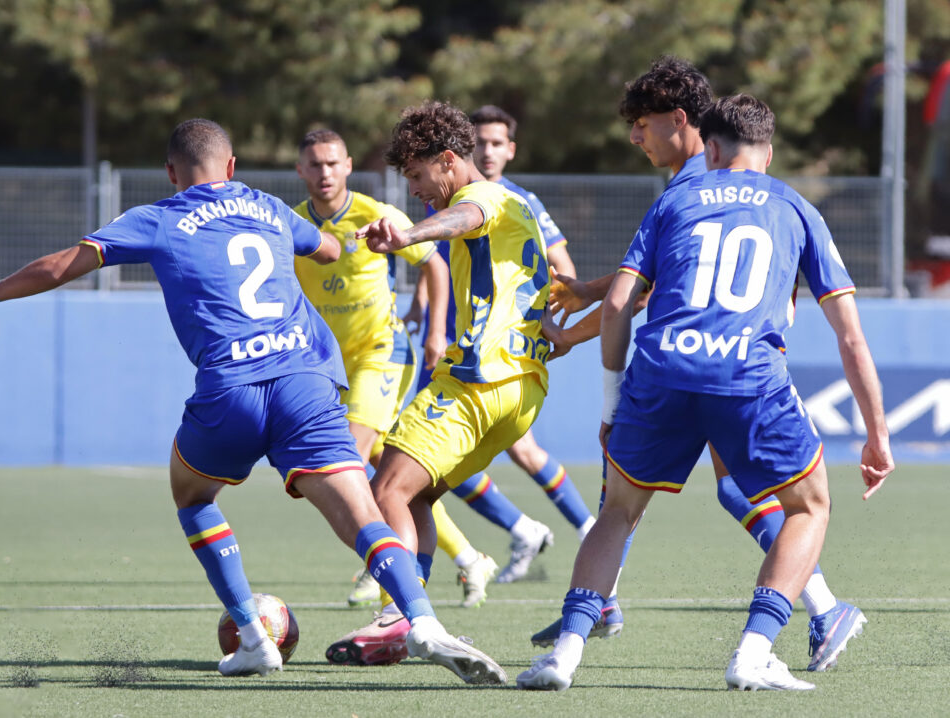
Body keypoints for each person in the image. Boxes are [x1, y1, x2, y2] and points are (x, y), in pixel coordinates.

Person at [0, 118, 506, 686]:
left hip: (231, 387)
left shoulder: (157, 217)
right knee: (362, 514)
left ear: (171, 173)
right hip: (307, 381)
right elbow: (329, 249)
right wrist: (341, 243)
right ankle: (421, 621)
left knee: (191, 495)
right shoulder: (269, 207)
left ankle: (254, 638)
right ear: (231, 167)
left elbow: (60, 266)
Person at [517, 94, 894, 692]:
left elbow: (619, 304)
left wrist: (614, 401)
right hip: (748, 378)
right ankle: (755, 651)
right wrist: (877, 433)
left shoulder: (677, 199)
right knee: (810, 506)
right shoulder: (796, 208)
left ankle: (564, 654)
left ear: (710, 149)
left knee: (618, 512)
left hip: (661, 371)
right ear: (767, 153)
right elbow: (850, 336)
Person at [325, 100, 552, 665]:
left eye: (420, 177)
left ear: (449, 161)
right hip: (521, 392)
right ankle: (407, 615)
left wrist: (406, 236)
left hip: (477, 381)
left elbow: (463, 217)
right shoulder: (517, 205)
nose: (418, 191)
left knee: (385, 491)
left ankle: (403, 617)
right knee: (416, 494)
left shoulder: (483, 197)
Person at [291, 129, 499, 623]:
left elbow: (435, 267)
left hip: (384, 354)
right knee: (390, 477)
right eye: (315, 165)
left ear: (347, 167)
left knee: (345, 459)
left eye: (333, 163)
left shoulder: (374, 214)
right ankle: (470, 558)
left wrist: (431, 332)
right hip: (333, 365)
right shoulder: (295, 225)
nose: (324, 173)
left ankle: (380, 566)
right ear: (301, 170)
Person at [406, 105, 596, 585]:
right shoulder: (445, 198)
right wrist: (425, 310)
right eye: (483, 141)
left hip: (487, 356)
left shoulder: (510, 200)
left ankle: (580, 530)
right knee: (427, 469)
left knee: (413, 471)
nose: (489, 150)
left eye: (498, 143)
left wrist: (550, 321)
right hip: (459, 346)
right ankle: (539, 533)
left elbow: (559, 268)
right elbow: (437, 258)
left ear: (509, 150)